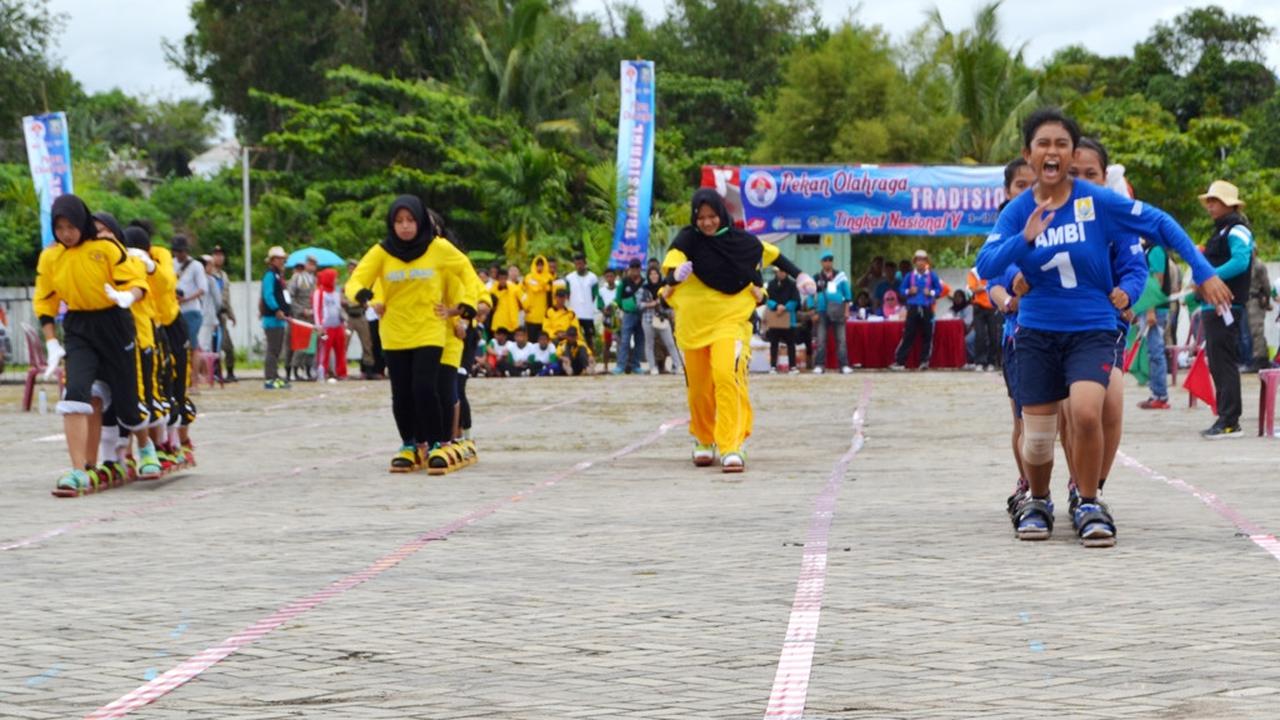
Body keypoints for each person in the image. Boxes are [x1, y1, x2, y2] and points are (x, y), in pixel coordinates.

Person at [978, 107, 1229, 547]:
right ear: (1029, 153)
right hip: (1035, 333)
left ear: (1072, 154)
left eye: (1061, 144)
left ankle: (1089, 500)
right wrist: (1026, 238)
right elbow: (986, 266)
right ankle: (1037, 501)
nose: (1052, 152)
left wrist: (1203, 269)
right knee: (1037, 441)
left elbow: (1159, 222)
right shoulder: (1018, 212)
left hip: (1093, 330)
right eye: (1043, 144)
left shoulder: (1097, 203)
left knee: (1088, 412)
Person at [662, 188, 814, 472]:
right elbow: (668, 272)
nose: (707, 223)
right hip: (693, 328)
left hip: (730, 324)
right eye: (701, 217)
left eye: (712, 216)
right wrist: (675, 275)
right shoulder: (686, 240)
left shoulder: (742, 242)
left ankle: (732, 445)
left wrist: (801, 275)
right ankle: (704, 440)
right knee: (699, 389)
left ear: (722, 214)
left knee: (726, 376)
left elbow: (775, 256)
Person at [36, 195, 162, 494]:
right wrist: (52, 341)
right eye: (59, 227)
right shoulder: (51, 257)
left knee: (127, 401)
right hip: (79, 328)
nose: (66, 233)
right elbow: (45, 300)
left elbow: (137, 281)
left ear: (82, 222)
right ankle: (79, 470)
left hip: (114, 324)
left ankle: (145, 448)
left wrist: (127, 297)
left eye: (71, 226)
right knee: (75, 393)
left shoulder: (106, 248)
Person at [345, 195, 478, 473]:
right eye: (399, 221)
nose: (405, 227)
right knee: (401, 393)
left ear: (419, 222)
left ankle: (434, 446)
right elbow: (355, 280)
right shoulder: (382, 252)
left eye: (410, 220)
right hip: (394, 332)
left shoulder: (438, 248)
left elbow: (466, 270)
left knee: (424, 388)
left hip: (429, 330)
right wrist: (366, 296)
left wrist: (466, 306)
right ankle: (408, 444)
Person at [1197, 180, 1253, 438]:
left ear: (1228, 205)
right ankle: (1225, 416)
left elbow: (1241, 261)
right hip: (1213, 303)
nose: (1209, 206)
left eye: (1214, 201)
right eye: (1208, 201)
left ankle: (1230, 421)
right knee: (1217, 362)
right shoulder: (1219, 231)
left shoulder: (1237, 229)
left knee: (1224, 361)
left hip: (1227, 304)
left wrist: (1211, 276)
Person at [890, 250, 943, 371]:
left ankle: (924, 361)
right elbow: (902, 290)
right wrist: (909, 291)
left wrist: (931, 292)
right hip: (913, 307)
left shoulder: (932, 275)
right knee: (908, 334)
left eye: (923, 260)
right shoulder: (910, 276)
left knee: (927, 335)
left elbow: (940, 290)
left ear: (926, 262)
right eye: (918, 260)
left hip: (927, 307)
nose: (920, 262)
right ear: (915, 262)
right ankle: (900, 361)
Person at [1137, 235, 1174, 409]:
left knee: (1156, 352)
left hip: (1156, 310)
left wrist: (1150, 308)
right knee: (1151, 352)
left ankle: (1160, 394)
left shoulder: (1156, 250)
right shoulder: (1149, 250)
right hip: (1149, 308)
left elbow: (1155, 281)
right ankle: (1155, 392)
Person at [812, 251, 853, 374]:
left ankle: (844, 365)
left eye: (830, 259)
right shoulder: (816, 277)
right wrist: (812, 311)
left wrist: (847, 311)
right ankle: (819, 365)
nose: (828, 262)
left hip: (838, 310)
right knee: (821, 339)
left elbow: (847, 295)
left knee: (841, 339)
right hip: (822, 311)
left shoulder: (840, 275)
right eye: (825, 260)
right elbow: (810, 295)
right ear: (821, 262)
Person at [641, 266, 682, 375]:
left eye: (656, 274)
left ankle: (678, 366)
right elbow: (638, 305)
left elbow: (670, 303)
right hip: (648, 319)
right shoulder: (644, 289)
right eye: (651, 274)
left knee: (670, 343)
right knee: (649, 344)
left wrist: (671, 312)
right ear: (648, 276)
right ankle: (652, 367)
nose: (654, 276)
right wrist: (652, 304)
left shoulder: (664, 287)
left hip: (663, 319)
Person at [261, 246, 291, 389]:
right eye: (279, 259)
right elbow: (268, 295)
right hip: (272, 318)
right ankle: (270, 378)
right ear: (273, 260)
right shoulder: (270, 275)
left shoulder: (279, 275)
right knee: (272, 349)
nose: (282, 261)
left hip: (280, 320)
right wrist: (276, 309)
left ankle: (275, 375)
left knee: (277, 349)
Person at [172, 235, 208, 351]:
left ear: (186, 251)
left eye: (180, 251)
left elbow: (202, 289)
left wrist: (185, 299)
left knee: (192, 343)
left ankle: (196, 368)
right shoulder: (171, 264)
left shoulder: (196, 266)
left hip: (191, 310)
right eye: (176, 251)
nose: (178, 254)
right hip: (174, 310)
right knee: (178, 344)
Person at [313, 268, 348, 380]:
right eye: (334, 278)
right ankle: (323, 371)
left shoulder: (335, 293)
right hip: (325, 328)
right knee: (324, 349)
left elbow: (338, 309)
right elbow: (316, 310)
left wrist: (344, 322)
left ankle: (341, 373)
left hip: (338, 326)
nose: (336, 280)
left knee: (340, 350)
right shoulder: (319, 292)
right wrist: (319, 326)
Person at [344, 258, 376, 378]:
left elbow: (367, 300)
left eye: (354, 268)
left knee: (366, 343)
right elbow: (343, 299)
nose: (351, 270)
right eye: (350, 268)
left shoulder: (362, 283)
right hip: (350, 316)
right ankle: (341, 369)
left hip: (361, 315)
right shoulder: (347, 284)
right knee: (344, 343)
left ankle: (368, 369)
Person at [286, 257, 317, 381]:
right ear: (306, 264)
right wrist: (300, 310)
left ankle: (308, 369)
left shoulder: (315, 280)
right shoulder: (297, 278)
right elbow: (290, 296)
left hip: (312, 315)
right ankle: (294, 369)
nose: (312, 266)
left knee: (311, 345)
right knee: (299, 345)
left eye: (314, 264)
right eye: (310, 263)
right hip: (300, 316)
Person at [208, 245, 237, 381]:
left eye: (221, 255)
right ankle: (215, 372)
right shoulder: (208, 274)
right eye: (216, 255)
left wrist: (232, 315)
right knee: (215, 346)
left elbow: (227, 297)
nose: (219, 257)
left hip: (223, 315)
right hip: (211, 315)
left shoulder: (224, 276)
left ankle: (230, 371)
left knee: (227, 346)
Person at [765, 267, 800, 373]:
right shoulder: (771, 284)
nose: (782, 273)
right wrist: (776, 306)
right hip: (775, 317)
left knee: (791, 343)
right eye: (780, 271)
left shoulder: (792, 284)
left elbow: (796, 300)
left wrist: (785, 307)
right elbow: (767, 299)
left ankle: (792, 366)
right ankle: (773, 366)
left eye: (784, 271)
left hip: (789, 318)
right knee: (774, 343)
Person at [967, 264, 1001, 371]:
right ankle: (980, 362)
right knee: (980, 335)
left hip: (993, 307)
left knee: (993, 335)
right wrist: (986, 286)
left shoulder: (995, 268)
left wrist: (983, 286)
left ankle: (991, 362)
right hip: (979, 307)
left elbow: (999, 285)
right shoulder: (974, 271)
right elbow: (973, 289)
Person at [614, 260, 645, 374]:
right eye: (633, 268)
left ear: (640, 269)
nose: (635, 270)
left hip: (642, 314)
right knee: (625, 340)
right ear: (629, 269)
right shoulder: (624, 282)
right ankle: (621, 365)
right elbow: (618, 298)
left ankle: (636, 365)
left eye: (637, 268)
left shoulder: (644, 282)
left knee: (640, 340)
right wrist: (625, 308)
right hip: (628, 314)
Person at [1246, 245, 1273, 371]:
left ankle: (1260, 359)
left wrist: (1266, 300)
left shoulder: (1258, 266)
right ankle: (1255, 357)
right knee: (1250, 332)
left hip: (1255, 300)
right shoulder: (1246, 265)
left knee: (1256, 330)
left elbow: (1266, 285)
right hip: (1246, 300)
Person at [565, 252, 599, 350]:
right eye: (576, 264)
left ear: (585, 263)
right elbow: (567, 294)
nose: (578, 266)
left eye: (580, 263)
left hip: (588, 313)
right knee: (573, 337)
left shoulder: (593, 278)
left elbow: (594, 295)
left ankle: (591, 358)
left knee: (589, 337)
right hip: (574, 314)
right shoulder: (569, 278)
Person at [522, 255, 553, 341]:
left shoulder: (549, 278)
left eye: (541, 265)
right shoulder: (528, 278)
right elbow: (522, 293)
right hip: (530, 314)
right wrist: (524, 306)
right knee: (531, 340)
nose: (539, 267)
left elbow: (550, 296)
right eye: (538, 265)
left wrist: (550, 311)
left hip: (543, 314)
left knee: (543, 340)